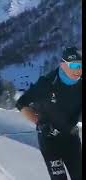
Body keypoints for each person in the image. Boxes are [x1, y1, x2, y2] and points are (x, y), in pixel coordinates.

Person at [16, 47, 82, 180]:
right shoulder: (46, 83)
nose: (78, 70)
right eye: (75, 65)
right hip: (49, 138)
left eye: (81, 66)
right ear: (63, 65)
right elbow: (21, 103)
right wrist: (40, 123)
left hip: (70, 136)